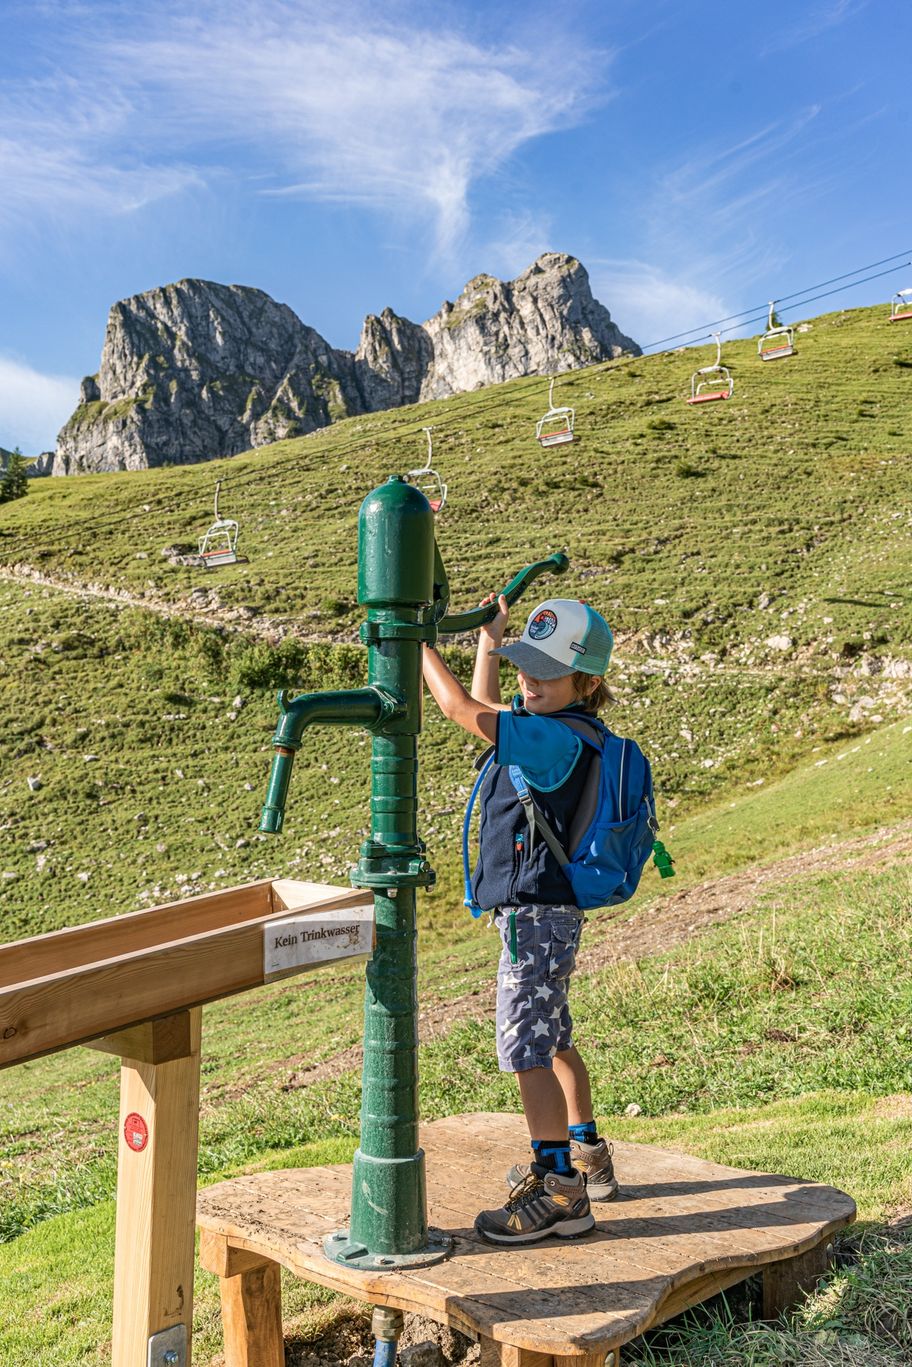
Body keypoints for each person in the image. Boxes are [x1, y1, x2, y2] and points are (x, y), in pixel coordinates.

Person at [422, 594, 618, 1245]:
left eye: (543, 670)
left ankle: (560, 1189)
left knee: (526, 1048)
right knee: (554, 1036)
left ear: (584, 681)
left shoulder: (549, 736)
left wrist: (409, 643)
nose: (527, 679)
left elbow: (458, 710)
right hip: (550, 914)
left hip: (534, 918)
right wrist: (491, 640)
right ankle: (586, 1150)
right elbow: (483, 705)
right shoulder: (563, 728)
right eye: (522, 665)